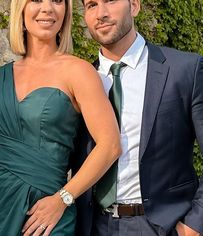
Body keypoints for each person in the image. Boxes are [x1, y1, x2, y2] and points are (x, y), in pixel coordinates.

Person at [73, 0, 203, 235]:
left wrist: (195, 225)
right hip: (93, 226)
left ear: (135, 6)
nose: (101, 13)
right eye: (91, 5)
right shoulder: (79, 81)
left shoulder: (185, 69)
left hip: (161, 226)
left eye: (110, 1)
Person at [0, 0, 121, 235]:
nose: (48, 8)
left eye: (57, 1)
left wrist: (63, 198)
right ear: (21, 9)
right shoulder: (2, 76)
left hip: (47, 217)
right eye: (36, 0)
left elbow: (110, 145)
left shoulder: (78, 71)